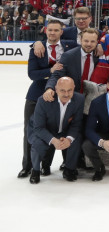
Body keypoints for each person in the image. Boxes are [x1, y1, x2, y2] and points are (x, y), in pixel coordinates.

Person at [21, 20, 77, 178]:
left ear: (61, 32)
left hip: (62, 96)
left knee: (54, 130)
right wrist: (50, 70)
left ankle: (45, 166)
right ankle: (27, 166)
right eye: (50, 30)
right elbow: (32, 74)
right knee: (30, 131)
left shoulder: (70, 45)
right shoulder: (37, 48)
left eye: (56, 30)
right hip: (37, 94)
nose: (52, 33)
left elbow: (90, 39)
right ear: (45, 31)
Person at [28, 77, 85, 184]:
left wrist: (68, 139)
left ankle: (70, 169)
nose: (66, 94)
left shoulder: (79, 99)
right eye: (62, 90)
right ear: (56, 89)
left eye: (69, 90)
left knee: (76, 139)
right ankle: (35, 170)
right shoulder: (43, 100)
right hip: (44, 130)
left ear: (74, 88)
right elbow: (39, 127)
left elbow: (76, 124)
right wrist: (54, 140)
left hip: (64, 130)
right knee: (37, 144)